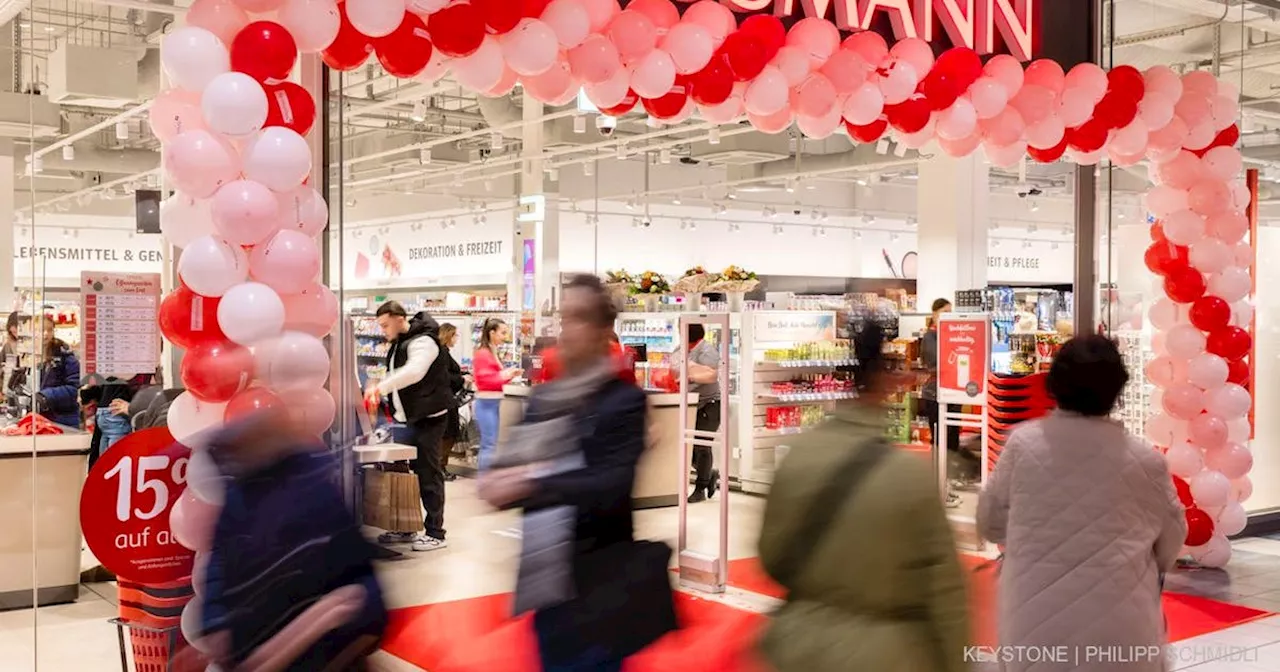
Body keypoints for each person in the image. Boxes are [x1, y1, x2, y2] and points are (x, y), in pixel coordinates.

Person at [479, 274, 674, 672]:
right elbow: (509, 465)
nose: (568, 329)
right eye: (564, 317)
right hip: (545, 586)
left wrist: (533, 482)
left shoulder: (623, 403)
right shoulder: (546, 397)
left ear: (605, 329)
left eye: (580, 317)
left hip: (599, 588)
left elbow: (610, 484)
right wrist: (501, 480)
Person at [755, 319, 968, 672]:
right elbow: (946, 597)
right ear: (886, 379)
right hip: (884, 655)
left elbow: (771, 557)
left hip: (797, 648)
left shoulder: (799, 454)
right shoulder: (909, 478)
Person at [977, 335, 1186, 672]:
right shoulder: (1146, 461)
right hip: (1123, 631)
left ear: (1055, 383)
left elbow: (990, 522)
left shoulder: (1022, 446)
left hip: (1033, 627)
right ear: (1117, 390)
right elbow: (1171, 540)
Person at [198, 409, 388, 671]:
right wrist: (215, 620)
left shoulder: (313, 493)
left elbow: (357, 573)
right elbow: (219, 558)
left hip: (318, 653)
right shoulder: (238, 494)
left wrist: (356, 614)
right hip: (257, 643)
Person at [363, 301, 451, 552]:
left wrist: (380, 388)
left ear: (400, 319)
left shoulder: (423, 342)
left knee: (428, 472)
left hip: (429, 417)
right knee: (402, 472)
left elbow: (414, 372)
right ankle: (406, 527)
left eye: (385, 325)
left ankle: (435, 532)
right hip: (406, 418)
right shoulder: (400, 343)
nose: (383, 331)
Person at [919, 297, 961, 508]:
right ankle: (937, 489)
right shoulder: (930, 337)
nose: (948, 316)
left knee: (952, 439)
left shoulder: (949, 336)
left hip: (953, 392)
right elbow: (935, 363)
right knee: (939, 442)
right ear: (935, 313)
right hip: (935, 395)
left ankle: (947, 485)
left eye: (951, 312)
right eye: (945, 311)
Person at [472, 318, 521, 471]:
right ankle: (486, 481)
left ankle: (487, 478)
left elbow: (494, 380)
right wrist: (505, 375)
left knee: (490, 443)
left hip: (493, 402)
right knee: (489, 444)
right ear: (491, 333)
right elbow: (484, 380)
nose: (505, 336)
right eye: (502, 332)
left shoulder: (492, 352)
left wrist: (510, 375)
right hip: (486, 403)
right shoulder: (483, 354)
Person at [684, 323, 721, 503]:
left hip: (710, 404)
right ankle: (709, 473)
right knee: (688, 447)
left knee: (702, 445)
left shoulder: (708, 351)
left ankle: (700, 488)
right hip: (690, 404)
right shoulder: (681, 349)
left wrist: (689, 376)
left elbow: (711, 376)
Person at [36, 314, 81, 427]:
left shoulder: (64, 354)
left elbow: (74, 387)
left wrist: (46, 396)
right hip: (40, 420)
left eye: (49, 329)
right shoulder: (28, 355)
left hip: (62, 419)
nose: (46, 334)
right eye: (41, 330)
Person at [437, 323, 465, 482]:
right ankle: (440, 467)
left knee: (449, 434)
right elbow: (445, 377)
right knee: (447, 434)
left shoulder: (443, 353)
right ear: (448, 336)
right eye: (455, 335)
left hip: (446, 400)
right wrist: (461, 379)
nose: (457, 338)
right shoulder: (442, 353)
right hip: (445, 401)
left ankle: (441, 466)